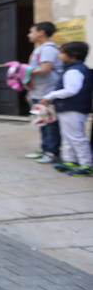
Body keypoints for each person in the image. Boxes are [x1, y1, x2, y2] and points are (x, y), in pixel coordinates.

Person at [41, 42, 92, 176]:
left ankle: (86, 164)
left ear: (72, 55)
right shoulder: (72, 68)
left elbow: (71, 90)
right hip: (68, 108)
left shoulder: (74, 70)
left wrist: (50, 96)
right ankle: (70, 160)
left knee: (76, 137)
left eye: (62, 52)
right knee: (67, 136)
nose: (59, 55)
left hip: (73, 108)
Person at [25, 22, 62, 163]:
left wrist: (23, 70)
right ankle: (45, 149)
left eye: (31, 31)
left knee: (50, 124)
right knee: (42, 122)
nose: (29, 35)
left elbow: (45, 69)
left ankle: (52, 153)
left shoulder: (48, 49)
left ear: (41, 32)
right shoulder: (39, 49)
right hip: (38, 91)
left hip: (47, 93)